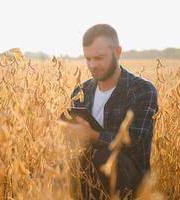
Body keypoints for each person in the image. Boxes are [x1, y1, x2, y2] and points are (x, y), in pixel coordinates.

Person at [63, 24, 158, 199]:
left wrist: (92, 135)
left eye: (99, 58)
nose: (92, 65)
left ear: (118, 52)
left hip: (131, 179)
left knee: (103, 158)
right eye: (88, 58)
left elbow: (134, 141)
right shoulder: (80, 92)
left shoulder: (142, 90)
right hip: (86, 168)